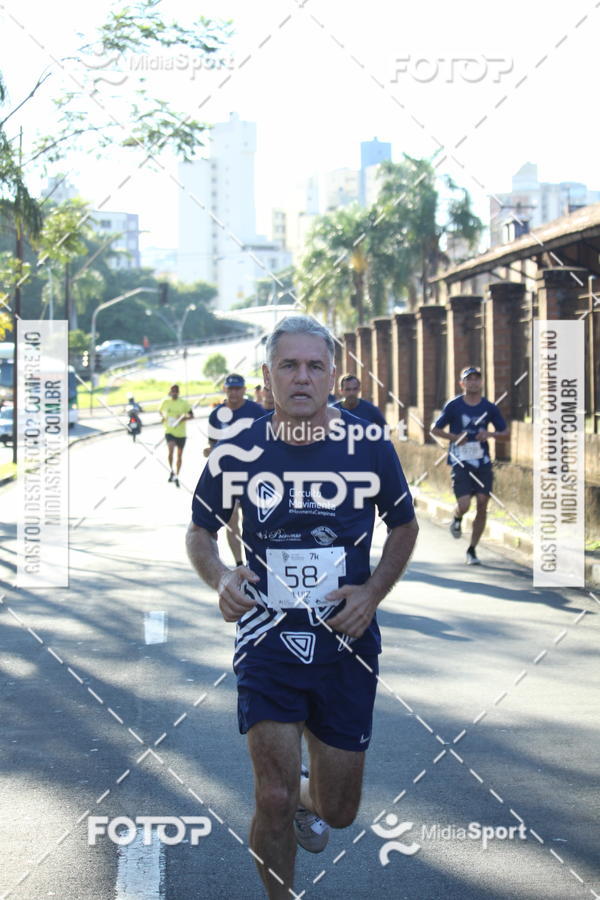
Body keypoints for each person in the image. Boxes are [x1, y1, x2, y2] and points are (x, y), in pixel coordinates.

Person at [186, 315, 418, 899]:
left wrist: (370, 594)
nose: (302, 377)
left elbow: (404, 527)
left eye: (315, 365)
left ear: (334, 374)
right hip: (267, 636)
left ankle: (312, 791)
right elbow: (199, 533)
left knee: (337, 811)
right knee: (273, 796)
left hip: (346, 642)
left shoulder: (368, 447)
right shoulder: (237, 451)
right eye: (288, 365)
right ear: (268, 376)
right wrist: (220, 579)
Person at [431, 365, 509, 565]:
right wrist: (455, 437)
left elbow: (506, 434)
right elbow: (435, 429)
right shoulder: (454, 406)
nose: (473, 382)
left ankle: (472, 549)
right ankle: (457, 518)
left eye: (477, 378)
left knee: (482, 503)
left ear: (481, 382)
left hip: (482, 463)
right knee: (464, 504)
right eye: (469, 379)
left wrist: (489, 434)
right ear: (462, 383)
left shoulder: (489, 407)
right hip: (460, 461)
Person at [204, 374, 265, 566]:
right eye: (230, 389)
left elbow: (268, 441)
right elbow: (213, 444)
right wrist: (211, 451)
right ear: (225, 390)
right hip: (227, 476)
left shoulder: (256, 411)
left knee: (254, 521)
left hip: (253, 474)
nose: (234, 392)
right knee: (231, 522)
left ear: (244, 390)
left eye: (238, 388)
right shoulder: (216, 414)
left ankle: (256, 560)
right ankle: (240, 563)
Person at [159, 384, 193, 488]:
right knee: (170, 451)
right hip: (169, 431)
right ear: (170, 392)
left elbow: (191, 415)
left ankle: (177, 475)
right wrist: (164, 417)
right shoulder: (165, 402)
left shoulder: (184, 403)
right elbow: (160, 411)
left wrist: (182, 418)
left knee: (179, 456)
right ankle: (171, 470)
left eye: (175, 391)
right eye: (172, 391)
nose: (174, 393)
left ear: (178, 392)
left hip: (181, 433)